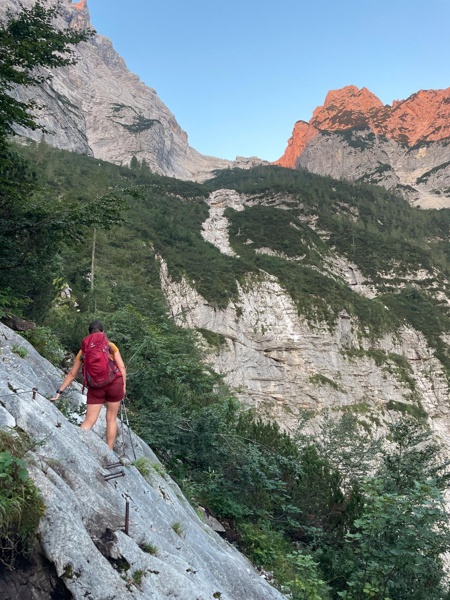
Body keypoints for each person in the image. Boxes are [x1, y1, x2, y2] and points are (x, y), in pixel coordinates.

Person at [51, 320, 127, 450]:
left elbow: (72, 374)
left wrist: (59, 392)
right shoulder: (110, 346)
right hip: (114, 384)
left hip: (96, 387)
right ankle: (109, 451)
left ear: (89, 334)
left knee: (90, 420)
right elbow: (122, 367)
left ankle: (77, 446)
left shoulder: (84, 351)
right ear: (103, 332)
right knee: (111, 419)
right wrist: (123, 387)